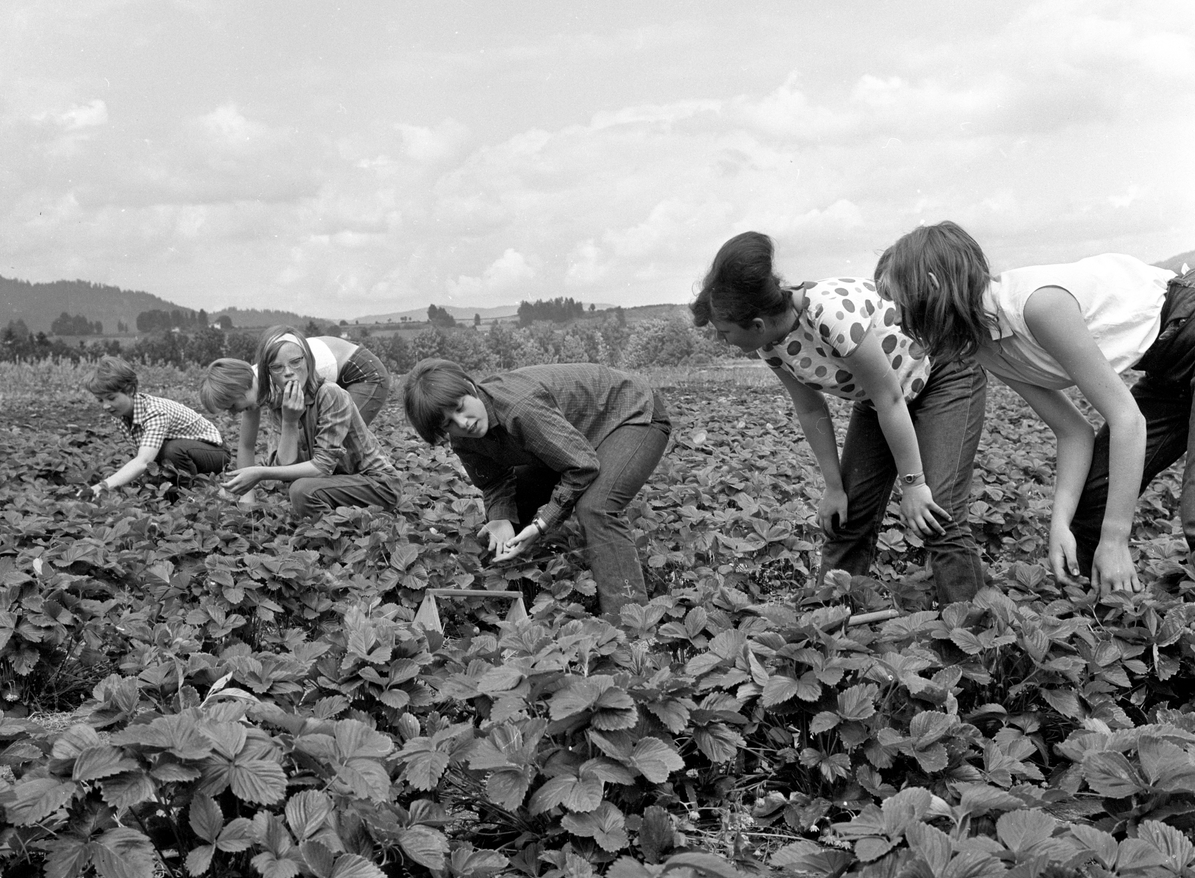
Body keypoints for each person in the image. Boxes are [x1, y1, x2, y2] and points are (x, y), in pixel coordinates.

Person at [876, 221, 1193, 596]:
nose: (896, 317)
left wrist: (1116, 538)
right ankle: (1107, 615)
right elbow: (1072, 431)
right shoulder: (982, 343)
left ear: (931, 285)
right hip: (1166, 365)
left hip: (1187, 320)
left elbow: (1127, 420)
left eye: (899, 302)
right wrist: (1059, 524)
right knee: (1093, 498)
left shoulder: (1038, 305)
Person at [691, 231, 987, 604]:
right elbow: (811, 407)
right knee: (847, 515)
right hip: (880, 397)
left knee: (937, 509)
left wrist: (913, 485)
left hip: (940, 374)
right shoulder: (769, 346)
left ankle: (975, 636)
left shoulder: (829, 314)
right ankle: (829, 622)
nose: (724, 341)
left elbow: (891, 398)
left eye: (725, 332)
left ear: (757, 323)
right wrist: (834, 487)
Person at [403, 359, 671, 620]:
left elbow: (582, 467)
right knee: (514, 504)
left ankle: (632, 625)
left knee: (596, 507)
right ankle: (515, 594)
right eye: (448, 423)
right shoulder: (464, 440)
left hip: (629, 414)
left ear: (469, 386)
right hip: (574, 437)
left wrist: (543, 524)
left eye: (460, 407)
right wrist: (500, 518)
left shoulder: (520, 409)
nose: (463, 423)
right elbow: (495, 481)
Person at [222, 330, 400, 518]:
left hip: (378, 484)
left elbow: (322, 467)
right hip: (342, 480)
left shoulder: (330, 394)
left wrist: (260, 473)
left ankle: (351, 528)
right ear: (269, 375)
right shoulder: (278, 406)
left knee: (301, 489)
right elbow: (283, 467)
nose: (289, 373)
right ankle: (338, 516)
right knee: (298, 488)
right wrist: (289, 422)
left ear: (308, 361)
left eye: (296, 362)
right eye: (277, 367)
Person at [86, 356, 230, 495]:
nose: (106, 406)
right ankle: (175, 493)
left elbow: (144, 461)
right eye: (100, 400)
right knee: (162, 452)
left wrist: (102, 487)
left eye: (111, 398)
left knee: (171, 450)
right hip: (188, 455)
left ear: (130, 390)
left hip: (216, 454)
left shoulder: (154, 412)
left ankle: (189, 495)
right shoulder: (119, 415)